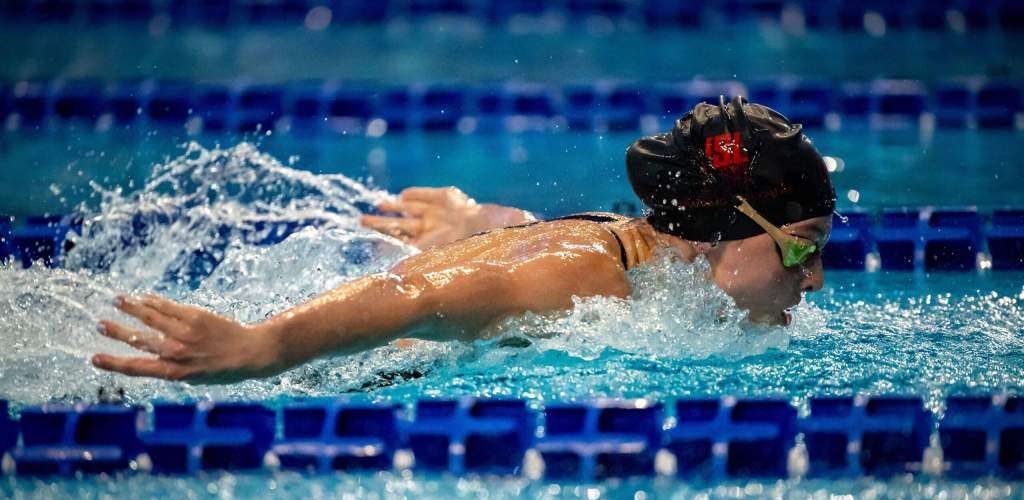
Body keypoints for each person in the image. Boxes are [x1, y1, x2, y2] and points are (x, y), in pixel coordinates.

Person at [91, 96, 835, 384]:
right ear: (720, 230)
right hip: (316, 376)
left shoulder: (632, 251)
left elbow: (520, 238)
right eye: (801, 246)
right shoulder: (590, 278)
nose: (814, 278)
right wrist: (263, 347)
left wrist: (471, 221)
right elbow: (417, 292)